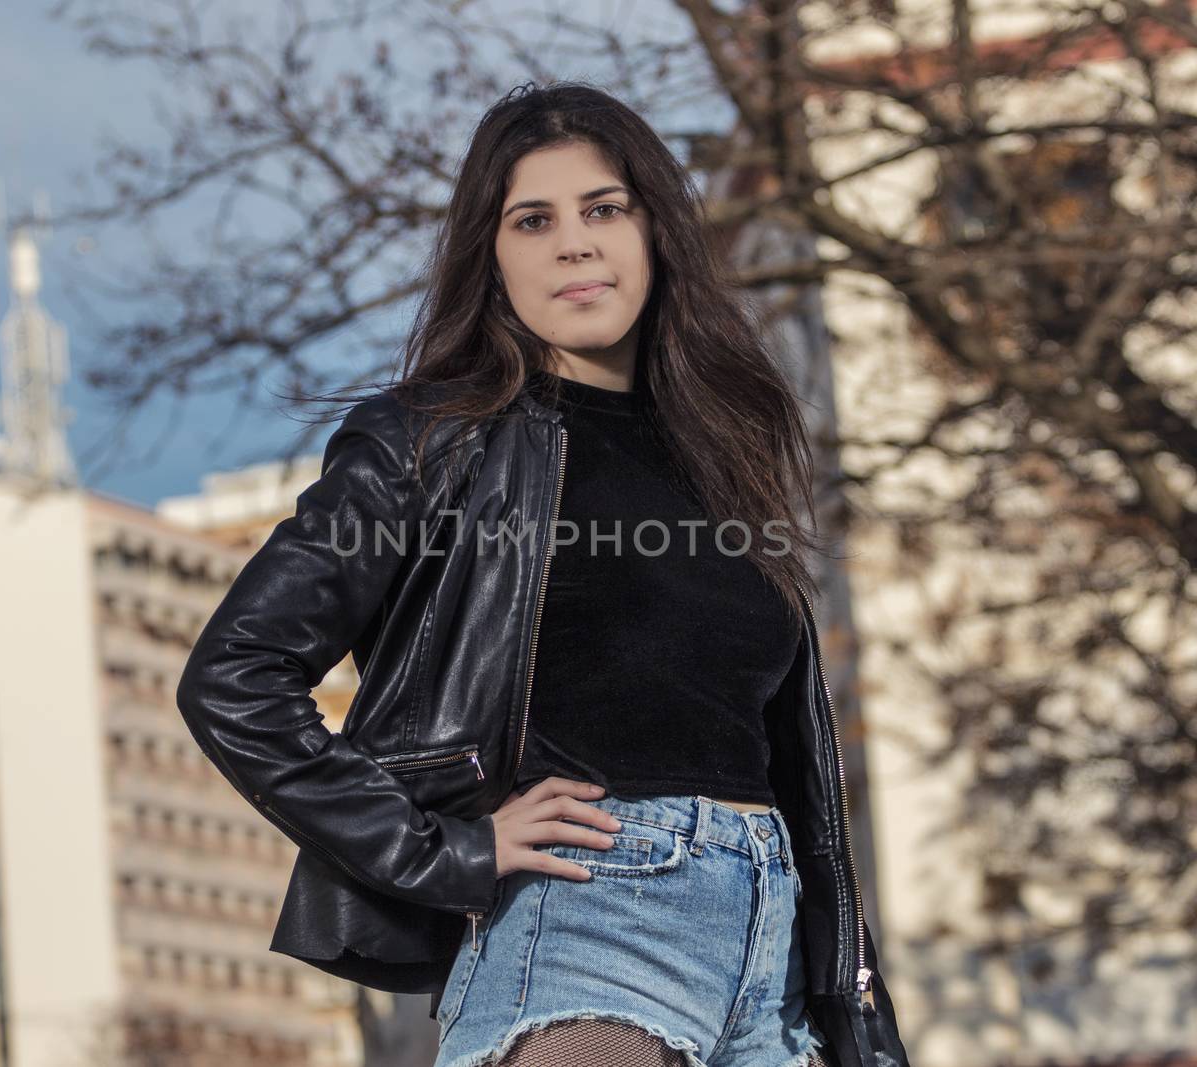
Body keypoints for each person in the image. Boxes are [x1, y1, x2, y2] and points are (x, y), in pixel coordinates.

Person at [175, 81, 911, 1067]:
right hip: (591, 914)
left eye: (604, 208)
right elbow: (234, 674)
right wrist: (442, 850)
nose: (574, 242)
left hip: (780, 951)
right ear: (493, 256)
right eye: (533, 220)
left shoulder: (722, 455)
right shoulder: (432, 441)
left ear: (654, 233)